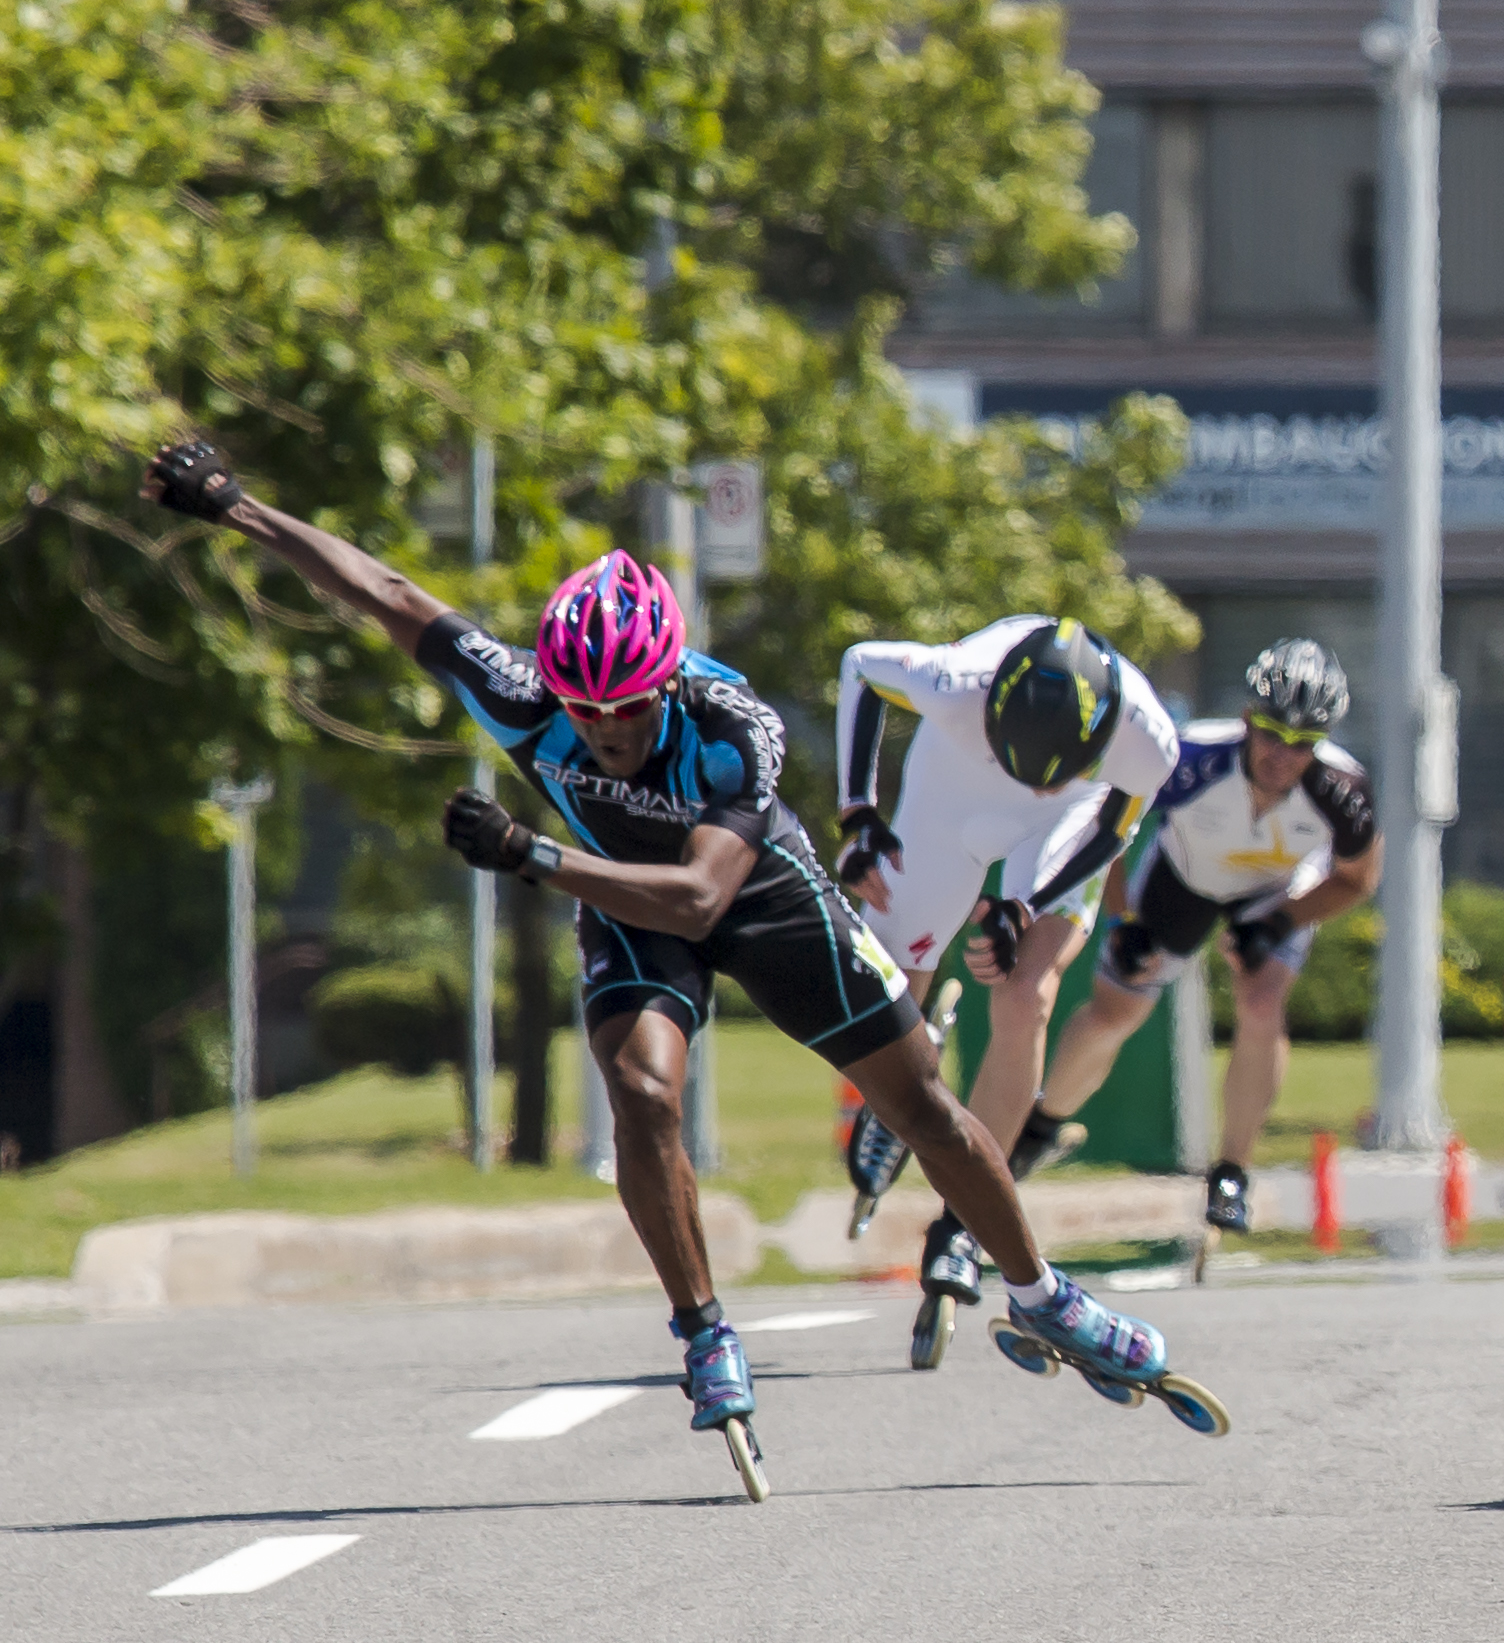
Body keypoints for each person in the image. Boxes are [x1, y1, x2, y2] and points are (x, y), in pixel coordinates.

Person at [141, 441, 1180, 1458]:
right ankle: (703, 1329)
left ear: (666, 683)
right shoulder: (523, 693)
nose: (607, 729)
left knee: (922, 1107)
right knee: (641, 1092)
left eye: (630, 706)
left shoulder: (735, 726)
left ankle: (1043, 1294)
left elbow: (698, 897)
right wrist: (239, 507)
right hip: (625, 902)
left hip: (755, 889)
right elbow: (392, 592)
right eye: (586, 710)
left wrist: (533, 853)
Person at [832, 615, 1179, 1357]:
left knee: (1027, 994)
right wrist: (857, 811)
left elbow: (1110, 832)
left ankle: (964, 1221)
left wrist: (1022, 909)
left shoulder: (1146, 737)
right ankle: (900, 1085)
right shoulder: (953, 682)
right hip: (951, 792)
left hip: (1066, 825)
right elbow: (860, 666)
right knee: (885, 993)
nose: (1029, 776)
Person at [1030, 638, 1382, 1239]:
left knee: (1262, 1002)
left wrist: (1280, 923)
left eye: (1303, 742)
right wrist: (1125, 921)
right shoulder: (1190, 759)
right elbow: (1106, 829)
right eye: (1272, 734)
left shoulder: (1341, 788)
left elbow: (1357, 881)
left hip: (1273, 894)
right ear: (1248, 719)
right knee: (1117, 1009)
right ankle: (1041, 1126)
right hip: (1183, 878)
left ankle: (1231, 1172)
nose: (1283, 754)